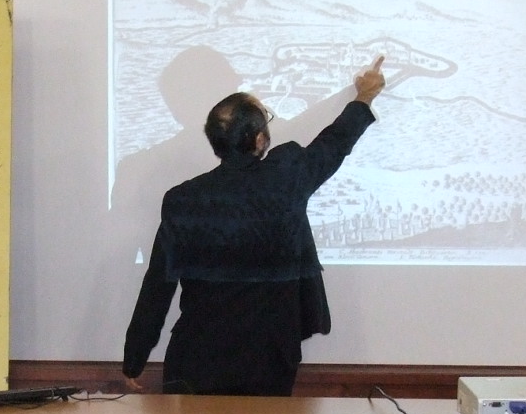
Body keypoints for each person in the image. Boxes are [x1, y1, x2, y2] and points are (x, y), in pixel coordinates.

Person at [122, 55, 387, 396]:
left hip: (196, 356)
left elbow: (157, 285)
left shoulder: (182, 199)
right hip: (270, 358)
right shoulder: (286, 178)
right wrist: (364, 97)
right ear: (260, 140)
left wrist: (135, 357)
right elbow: (334, 143)